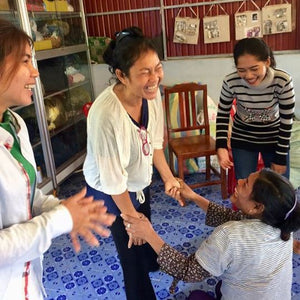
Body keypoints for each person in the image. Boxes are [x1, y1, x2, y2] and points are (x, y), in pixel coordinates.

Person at [0, 19, 116, 300]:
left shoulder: (13, 123)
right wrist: (60, 219)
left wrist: (60, 206)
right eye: (25, 61)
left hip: (27, 282)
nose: (35, 72)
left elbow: (25, 195)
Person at [82, 26, 183, 300]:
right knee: (130, 246)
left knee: (145, 225)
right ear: (121, 75)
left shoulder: (152, 94)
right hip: (109, 189)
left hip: (138, 178)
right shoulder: (106, 115)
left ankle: (150, 260)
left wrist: (169, 177)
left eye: (157, 68)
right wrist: (130, 218)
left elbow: (155, 145)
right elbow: (114, 182)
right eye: (145, 72)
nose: (155, 78)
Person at [122, 169, 300, 300]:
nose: (238, 180)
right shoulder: (282, 223)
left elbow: (187, 271)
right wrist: (193, 196)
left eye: (245, 183)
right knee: (220, 287)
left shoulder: (229, 236)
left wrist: (148, 233)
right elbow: (232, 217)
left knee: (196, 297)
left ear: (257, 207)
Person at [215, 37, 295, 180]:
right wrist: (221, 146)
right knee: (245, 185)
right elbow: (222, 114)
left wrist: (281, 156)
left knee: (279, 188)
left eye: (254, 69)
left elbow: (287, 120)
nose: (248, 76)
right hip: (243, 138)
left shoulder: (282, 81)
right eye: (241, 70)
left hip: (274, 139)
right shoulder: (230, 82)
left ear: (267, 62)